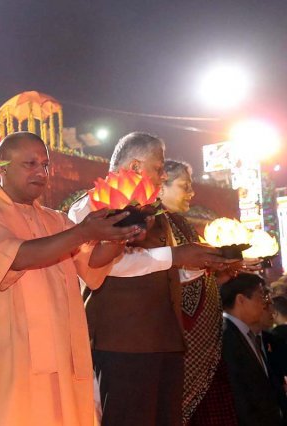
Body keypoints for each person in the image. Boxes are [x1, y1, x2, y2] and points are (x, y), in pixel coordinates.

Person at [0, 132, 143, 425]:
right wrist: (84, 232)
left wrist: (119, 236)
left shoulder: (57, 220)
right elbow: (18, 258)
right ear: (2, 169)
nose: (40, 172)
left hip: (64, 362)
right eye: (30, 164)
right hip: (13, 362)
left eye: (44, 165)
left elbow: (92, 265)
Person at [68, 132, 229, 426]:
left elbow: (163, 272)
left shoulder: (157, 214)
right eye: (159, 167)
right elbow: (99, 268)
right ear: (135, 167)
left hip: (165, 340)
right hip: (121, 343)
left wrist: (202, 265)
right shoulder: (91, 207)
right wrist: (175, 256)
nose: (163, 175)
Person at [159, 160, 237, 425]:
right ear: (161, 185)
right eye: (184, 186)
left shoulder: (182, 224)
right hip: (179, 342)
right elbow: (162, 278)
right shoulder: (154, 224)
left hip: (205, 343)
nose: (191, 193)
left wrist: (218, 275)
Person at [220, 273, 284, 425]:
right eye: (261, 296)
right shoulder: (226, 336)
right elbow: (238, 393)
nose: (265, 303)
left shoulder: (248, 334)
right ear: (241, 299)